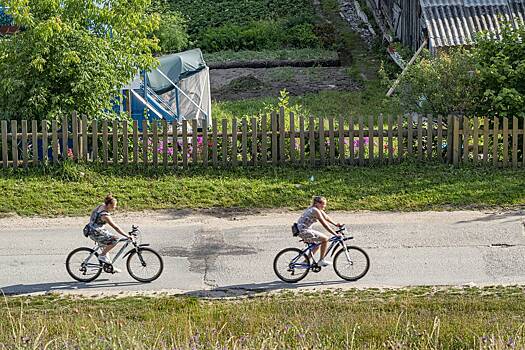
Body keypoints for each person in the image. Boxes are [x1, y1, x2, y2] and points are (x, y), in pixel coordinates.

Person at [87, 194, 133, 272]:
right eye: (113, 206)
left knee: (107, 245)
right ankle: (101, 256)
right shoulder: (105, 216)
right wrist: (127, 235)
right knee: (115, 239)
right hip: (95, 232)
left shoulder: (101, 206)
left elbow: (93, 213)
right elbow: (116, 228)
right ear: (108, 205)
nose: (114, 207)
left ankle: (109, 266)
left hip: (91, 228)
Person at [296, 196, 342, 267]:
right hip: (303, 231)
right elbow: (325, 225)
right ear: (317, 203)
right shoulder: (315, 210)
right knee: (325, 239)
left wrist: (336, 224)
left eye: (325, 204)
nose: (325, 206)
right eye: (323, 204)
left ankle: (305, 262)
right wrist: (335, 234)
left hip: (304, 229)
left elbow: (326, 217)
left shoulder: (317, 209)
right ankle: (321, 260)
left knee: (316, 245)